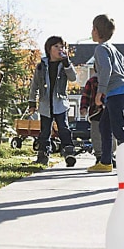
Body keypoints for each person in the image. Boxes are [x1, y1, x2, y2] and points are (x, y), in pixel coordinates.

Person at [87, 14, 124, 173]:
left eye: (92, 29)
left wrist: (101, 91)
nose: (91, 32)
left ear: (96, 31)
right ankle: (106, 162)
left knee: (118, 128)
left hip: (115, 92)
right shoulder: (113, 48)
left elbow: (106, 69)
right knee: (105, 125)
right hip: (121, 90)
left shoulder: (100, 48)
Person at [28, 36, 78, 167]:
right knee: (45, 131)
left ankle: (69, 152)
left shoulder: (64, 65)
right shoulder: (41, 66)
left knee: (64, 129)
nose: (59, 49)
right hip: (45, 104)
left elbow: (73, 78)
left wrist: (67, 62)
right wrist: (32, 102)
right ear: (49, 49)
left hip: (60, 103)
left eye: (62, 47)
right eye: (56, 46)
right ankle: (43, 154)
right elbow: (35, 86)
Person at [79, 64, 104, 164]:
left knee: (111, 135)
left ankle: (110, 155)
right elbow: (86, 95)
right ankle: (99, 155)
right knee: (96, 134)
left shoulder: (112, 81)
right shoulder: (92, 81)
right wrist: (84, 107)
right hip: (95, 113)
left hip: (109, 112)